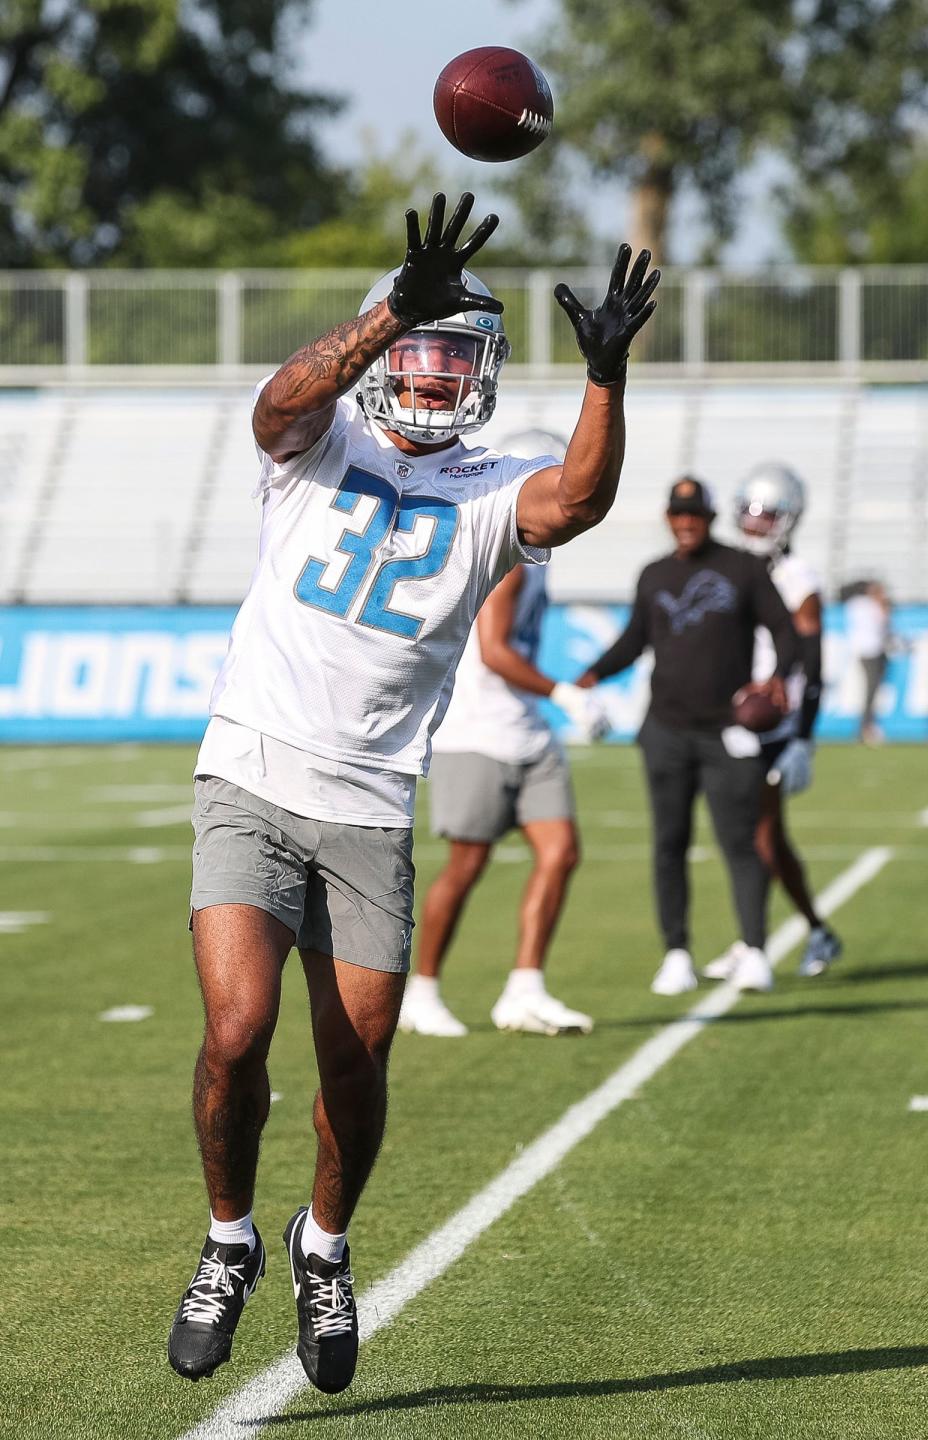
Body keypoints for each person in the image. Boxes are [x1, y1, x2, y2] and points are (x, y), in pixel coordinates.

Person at [166, 192, 660, 1394]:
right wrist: (390, 310)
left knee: (358, 1061)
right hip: (253, 767)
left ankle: (320, 1246)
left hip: (374, 802)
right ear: (394, 349)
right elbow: (274, 406)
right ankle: (229, 1241)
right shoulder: (324, 440)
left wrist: (604, 379)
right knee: (237, 1032)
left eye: (452, 358)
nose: (432, 377)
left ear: (483, 376)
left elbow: (581, 501)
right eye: (420, 352)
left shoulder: (501, 481)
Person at [400, 429, 608, 1039]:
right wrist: (566, 694)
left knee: (561, 851)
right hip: (478, 729)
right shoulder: (507, 558)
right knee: (466, 864)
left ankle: (525, 988)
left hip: (524, 729)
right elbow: (493, 652)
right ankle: (424, 989)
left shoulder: (537, 560)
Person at [577, 476, 799, 996]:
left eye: (694, 515)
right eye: (678, 515)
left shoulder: (742, 568)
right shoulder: (654, 574)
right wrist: (593, 673)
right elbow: (635, 639)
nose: (685, 523)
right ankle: (676, 952)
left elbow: (785, 629)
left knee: (740, 842)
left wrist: (778, 677)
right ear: (668, 518)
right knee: (669, 844)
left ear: (710, 518)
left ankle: (755, 951)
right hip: (666, 730)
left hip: (728, 730)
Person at [703, 463, 843, 982]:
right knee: (757, 838)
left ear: (789, 519)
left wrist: (803, 737)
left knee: (758, 838)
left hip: (772, 723)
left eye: (766, 515)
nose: (754, 523)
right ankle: (785, 936)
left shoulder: (796, 577)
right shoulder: (734, 567)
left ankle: (766, 941)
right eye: (748, 512)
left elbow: (812, 661)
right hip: (732, 716)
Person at [845, 581, 890, 744]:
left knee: (870, 692)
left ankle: (865, 727)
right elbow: (883, 622)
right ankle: (865, 728)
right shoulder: (872, 606)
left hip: (862, 651)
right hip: (871, 651)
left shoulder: (855, 604)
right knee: (870, 692)